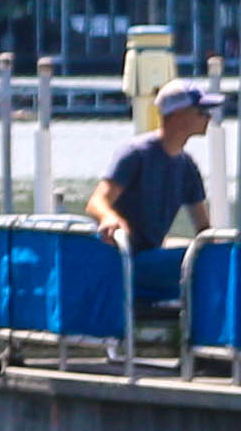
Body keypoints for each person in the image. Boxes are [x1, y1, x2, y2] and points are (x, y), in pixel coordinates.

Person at [87, 80, 214, 300]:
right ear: (178, 115)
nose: (209, 117)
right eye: (202, 111)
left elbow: (204, 230)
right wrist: (110, 219)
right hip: (123, 261)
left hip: (151, 257)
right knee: (198, 261)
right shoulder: (135, 153)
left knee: (215, 257)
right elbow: (97, 201)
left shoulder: (187, 166)